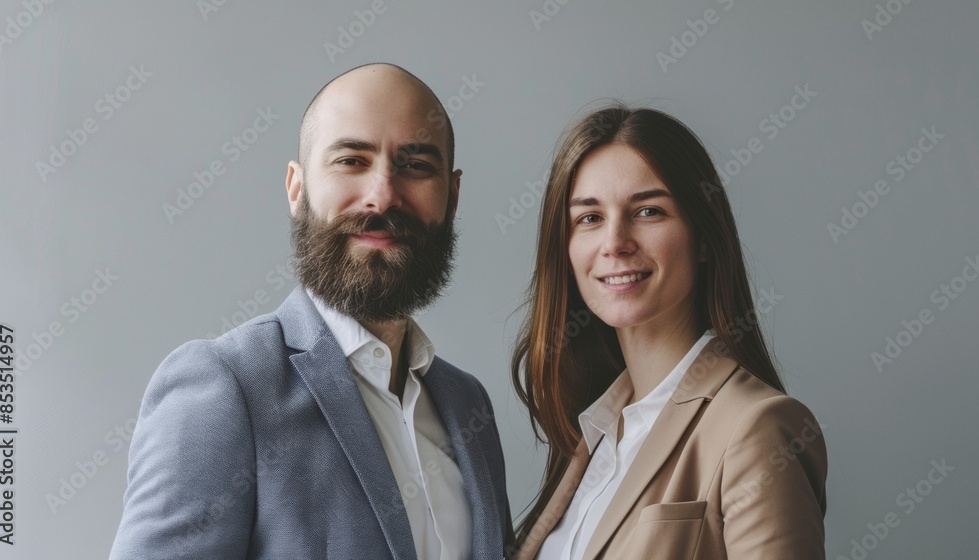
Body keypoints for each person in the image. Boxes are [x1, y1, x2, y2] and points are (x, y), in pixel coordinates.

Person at [110, 63, 512, 560]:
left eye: (415, 166)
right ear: (296, 190)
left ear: (451, 197)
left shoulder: (467, 403)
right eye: (351, 161)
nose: (383, 194)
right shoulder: (225, 386)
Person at [510, 104, 827, 559]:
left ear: (703, 237)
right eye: (590, 218)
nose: (615, 242)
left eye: (648, 211)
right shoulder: (593, 433)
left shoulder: (756, 429)